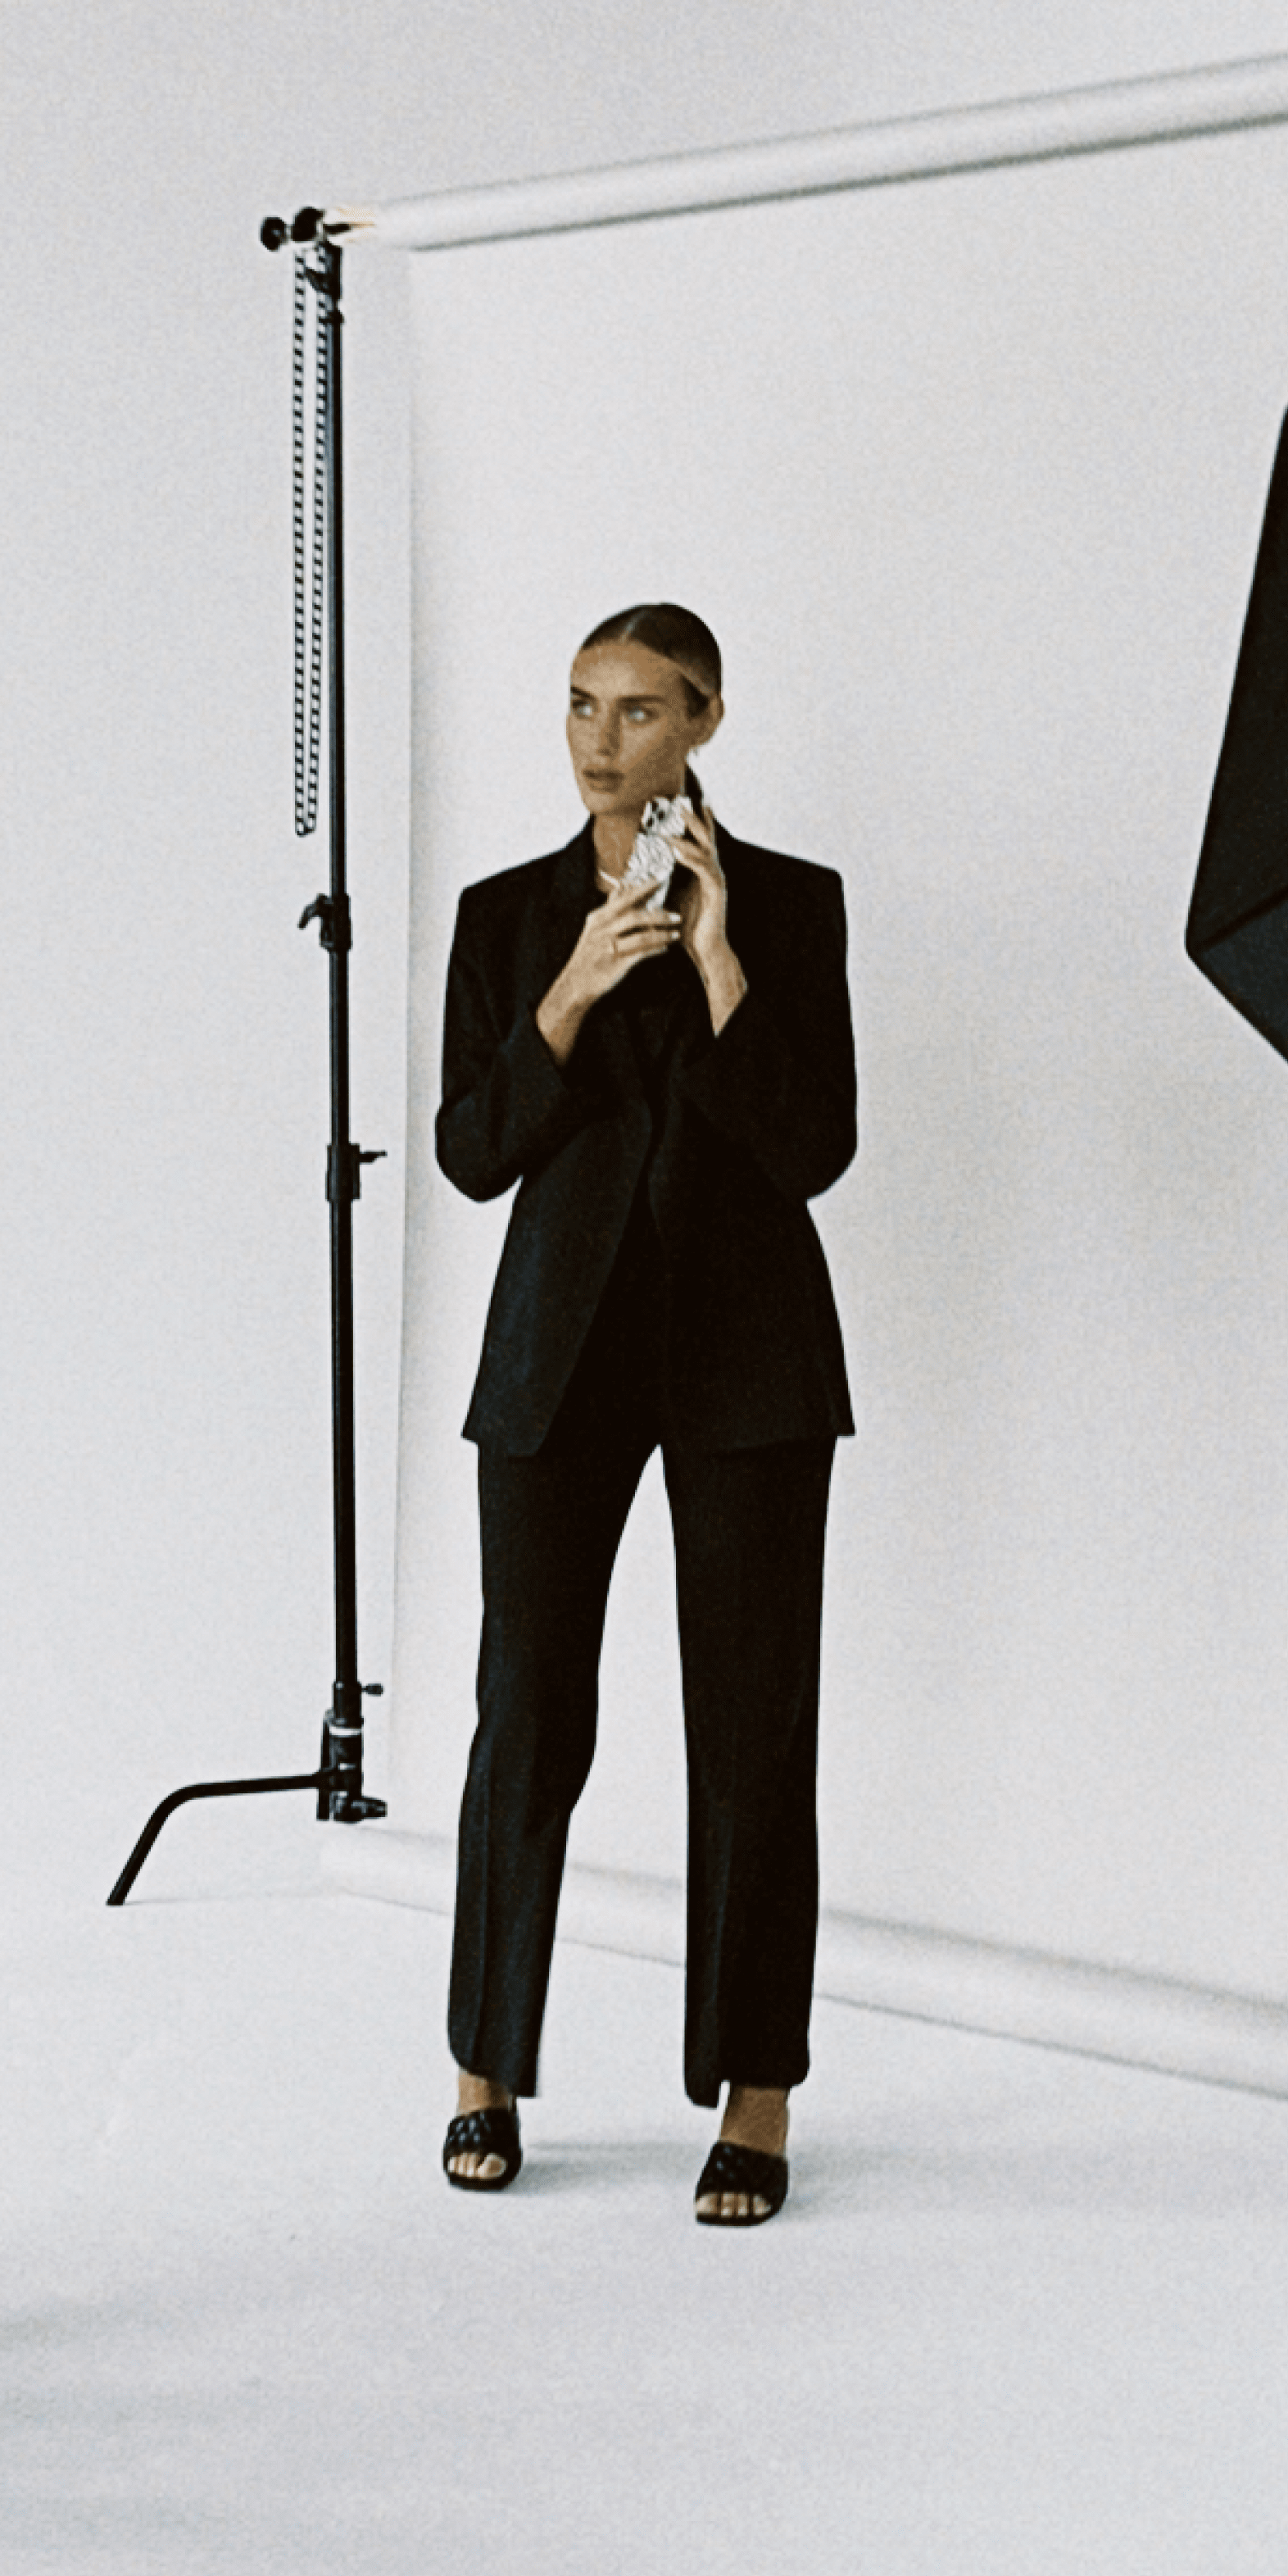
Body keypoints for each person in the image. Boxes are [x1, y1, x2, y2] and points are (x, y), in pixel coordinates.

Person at [430, 603, 854, 2228]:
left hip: (749, 1357)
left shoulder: (794, 909)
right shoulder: (507, 915)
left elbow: (814, 1147)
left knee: (754, 1728)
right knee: (526, 1711)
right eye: (576, 708)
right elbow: (473, 1151)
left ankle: (754, 2093)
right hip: (558, 1354)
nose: (598, 741)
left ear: (704, 723)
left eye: (635, 711)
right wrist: (566, 992)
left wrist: (722, 959)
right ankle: (484, 2067)